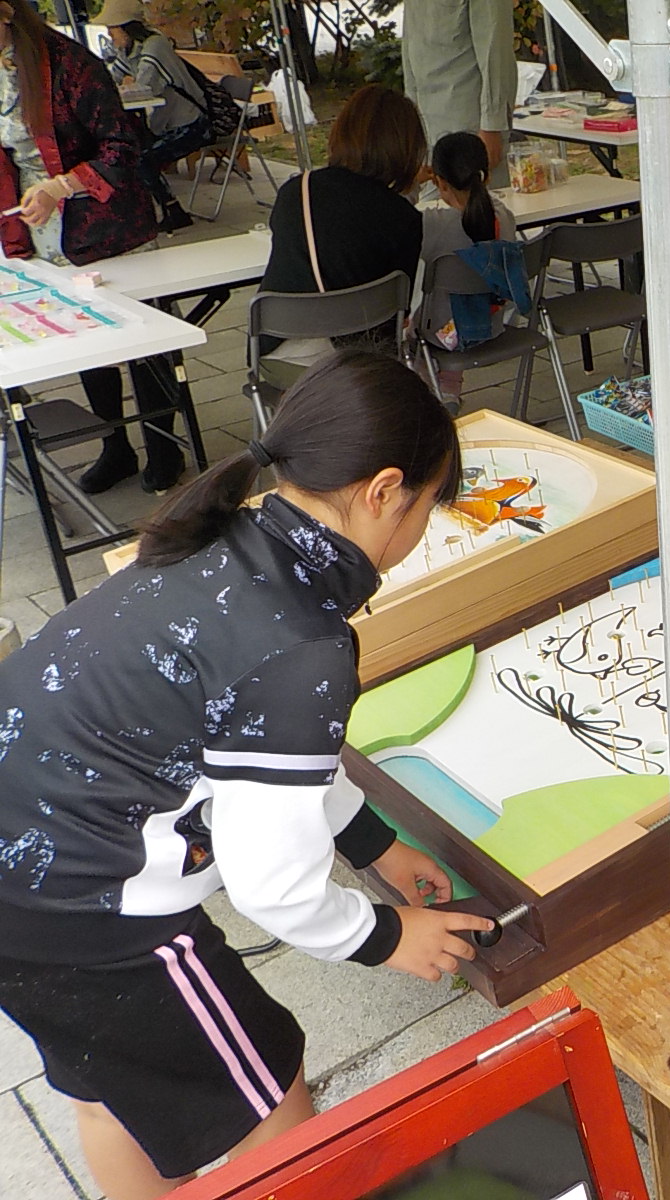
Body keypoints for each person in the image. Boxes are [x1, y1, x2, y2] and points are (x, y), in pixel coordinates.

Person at [0, 349, 495, 1200]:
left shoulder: (218, 535)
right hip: (88, 903)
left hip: (21, 863)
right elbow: (273, 885)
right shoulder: (303, 642)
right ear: (385, 491)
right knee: (270, 1096)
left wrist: (374, 844)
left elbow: (264, 754)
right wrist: (383, 936)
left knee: (116, 1095)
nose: (423, 527)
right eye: (429, 504)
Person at [0, 0, 185, 494]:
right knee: (86, 344)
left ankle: (164, 447)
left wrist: (61, 186)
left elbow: (122, 148)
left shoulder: (70, 64)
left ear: (6, 12)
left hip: (109, 226)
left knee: (145, 342)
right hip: (42, 231)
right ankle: (115, 446)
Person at [258, 84, 426, 371]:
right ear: (407, 150)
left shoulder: (296, 191)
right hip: (364, 363)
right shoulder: (403, 217)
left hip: (283, 350)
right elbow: (399, 311)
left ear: (341, 132)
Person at [416, 130, 518, 408]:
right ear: (486, 176)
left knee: (418, 309)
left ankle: (428, 385)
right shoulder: (504, 217)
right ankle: (449, 387)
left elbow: (398, 217)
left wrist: (411, 185)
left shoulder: (432, 225)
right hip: (493, 325)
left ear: (439, 182)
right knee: (458, 300)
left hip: (443, 334)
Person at [98, 0, 206, 233]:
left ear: (126, 27)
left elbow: (145, 87)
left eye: (111, 29)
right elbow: (111, 80)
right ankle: (158, 208)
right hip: (164, 122)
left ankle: (173, 210)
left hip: (190, 123)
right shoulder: (130, 49)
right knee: (130, 150)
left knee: (141, 159)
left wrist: (129, 83)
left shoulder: (155, 45)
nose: (109, 35)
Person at [401, 0, 516, 185]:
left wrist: (492, 126)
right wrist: (412, 129)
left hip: (470, 126)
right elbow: (410, 52)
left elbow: (495, 50)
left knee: (484, 200)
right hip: (428, 129)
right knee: (432, 202)